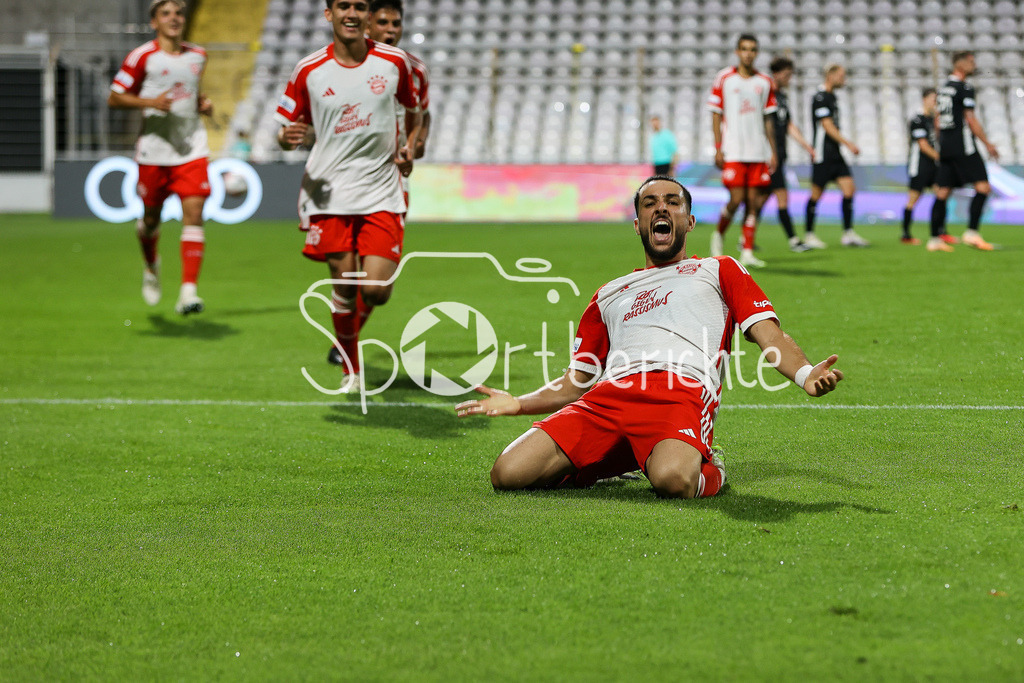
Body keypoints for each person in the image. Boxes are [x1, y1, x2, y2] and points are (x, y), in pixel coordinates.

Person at [455, 176, 844, 499]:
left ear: (689, 221)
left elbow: (768, 335)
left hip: (680, 392)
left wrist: (805, 373)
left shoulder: (718, 270)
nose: (661, 208)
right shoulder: (608, 294)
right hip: (608, 399)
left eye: (673, 202)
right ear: (638, 224)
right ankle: (620, 458)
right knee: (507, 473)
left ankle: (711, 466)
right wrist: (517, 403)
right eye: (650, 203)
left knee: (674, 481)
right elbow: (577, 381)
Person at [276, 0, 422, 391]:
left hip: (381, 190)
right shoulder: (309, 69)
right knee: (343, 287)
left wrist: (410, 144)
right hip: (329, 194)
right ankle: (351, 370)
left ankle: (348, 351)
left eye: (359, 5)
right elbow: (287, 125)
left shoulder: (396, 64)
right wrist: (286, 138)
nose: (351, 13)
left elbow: (416, 110)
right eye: (344, 6)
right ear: (330, 14)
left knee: (375, 290)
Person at [108, 0, 213, 315]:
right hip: (154, 152)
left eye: (179, 13)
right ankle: (152, 265)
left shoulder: (199, 55)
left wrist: (202, 106)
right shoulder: (143, 57)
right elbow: (114, 97)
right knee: (150, 219)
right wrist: (148, 101)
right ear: (154, 21)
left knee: (194, 215)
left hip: (191, 149)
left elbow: (190, 93)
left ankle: (188, 292)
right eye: (166, 13)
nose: (174, 18)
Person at [707, 34, 778, 269]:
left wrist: (773, 151)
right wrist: (718, 148)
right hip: (734, 150)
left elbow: (769, 120)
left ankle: (747, 250)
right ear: (737, 52)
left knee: (753, 202)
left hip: (758, 151)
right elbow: (715, 115)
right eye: (744, 49)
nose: (748, 53)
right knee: (736, 199)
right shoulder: (725, 78)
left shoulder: (765, 82)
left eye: (753, 49)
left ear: (756, 53)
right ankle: (718, 235)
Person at [930, 51, 1000, 252]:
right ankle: (972, 232)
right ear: (959, 64)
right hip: (963, 145)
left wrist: (940, 142)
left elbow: (937, 120)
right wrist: (987, 143)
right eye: (970, 62)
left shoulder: (943, 89)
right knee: (983, 187)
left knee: (942, 191)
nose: (974, 64)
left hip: (946, 145)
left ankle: (934, 239)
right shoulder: (964, 88)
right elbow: (970, 118)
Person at [803, 64, 869, 249]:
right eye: (841, 75)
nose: (844, 80)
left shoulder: (832, 97)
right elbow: (827, 125)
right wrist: (848, 143)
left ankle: (848, 233)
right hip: (823, 154)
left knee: (849, 189)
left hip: (835, 154)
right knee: (816, 194)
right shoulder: (821, 97)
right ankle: (809, 234)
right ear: (830, 75)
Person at [367, 0, 431, 161]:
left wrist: (420, 141)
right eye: (383, 23)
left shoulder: (416, 70)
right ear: (368, 26)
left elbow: (424, 113)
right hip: (355, 159)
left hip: (395, 162)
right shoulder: (352, 65)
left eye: (396, 24)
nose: (391, 30)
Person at [766, 56, 815, 253]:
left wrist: (806, 146)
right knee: (781, 197)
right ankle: (794, 240)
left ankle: (746, 241)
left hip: (779, 155)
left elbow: (788, 125)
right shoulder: (765, 95)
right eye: (787, 75)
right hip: (769, 157)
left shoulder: (782, 98)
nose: (789, 79)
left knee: (759, 201)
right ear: (776, 74)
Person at [902, 88, 940, 247]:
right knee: (913, 199)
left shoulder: (932, 120)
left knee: (941, 194)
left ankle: (941, 232)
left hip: (932, 165)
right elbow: (923, 146)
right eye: (933, 100)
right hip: (919, 165)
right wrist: (940, 158)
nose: (935, 103)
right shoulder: (917, 119)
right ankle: (906, 234)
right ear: (925, 99)